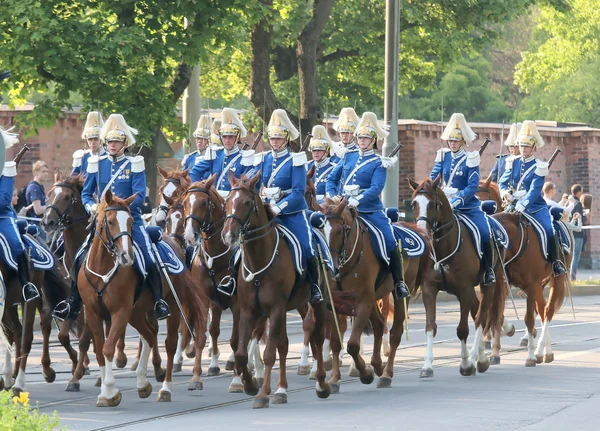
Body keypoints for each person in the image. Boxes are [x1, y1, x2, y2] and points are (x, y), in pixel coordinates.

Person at [52, 114, 171, 321]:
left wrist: (120, 209)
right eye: (109, 141)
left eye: (116, 141)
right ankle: (73, 301)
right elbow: (87, 194)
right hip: (103, 221)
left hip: (129, 219)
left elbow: (140, 195)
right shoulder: (96, 163)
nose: (112, 145)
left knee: (148, 258)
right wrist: (92, 208)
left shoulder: (135, 163)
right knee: (79, 257)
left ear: (125, 143)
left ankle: (159, 301)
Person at [326, 112, 410, 299]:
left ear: (373, 140)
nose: (362, 141)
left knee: (389, 241)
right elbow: (332, 179)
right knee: (328, 233)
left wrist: (358, 200)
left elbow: (376, 188)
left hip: (370, 211)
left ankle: (399, 282)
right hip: (344, 209)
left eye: (366, 138)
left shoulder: (379, 162)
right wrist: (333, 196)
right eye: (360, 137)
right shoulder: (348, 157)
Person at [430, 113, 496, 286]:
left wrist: (458, 200)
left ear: (462, 141)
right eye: (450, 140)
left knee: (484, 232)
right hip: (445, 204)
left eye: (455, 141)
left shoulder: (470, 158)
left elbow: (472, 186)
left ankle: (488, 270)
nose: (452, 143)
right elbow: (433, 179)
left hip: (467, 206)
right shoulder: (443, 156)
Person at [499, 120, 567, 277]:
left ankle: (556, 262)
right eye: (521, 146)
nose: (523, 149)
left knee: (549, 229)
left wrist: (523, 205)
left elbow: (535, 190)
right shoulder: (512, 162)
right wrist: (505, 193)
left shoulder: (539, 166)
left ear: (534, 148)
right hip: (513, 205)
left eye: (527, 146)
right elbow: (502, 182)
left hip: (535, 207)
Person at [0, 127, 40, 302]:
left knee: (16, 244)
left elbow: (4, 199)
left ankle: (27, 285)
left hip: (2, 216)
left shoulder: (7, 167)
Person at [189, 108, 255, 190]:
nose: (227, 140)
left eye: (231, 137)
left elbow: (250, 182)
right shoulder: (215, 154)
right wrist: (200, 188)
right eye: (224, 137)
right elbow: (194, 172)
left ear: (237, 138)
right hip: (216, 199)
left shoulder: (245, 158)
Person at [307, 125, 337, 204]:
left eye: (320, 150)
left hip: (325, 205)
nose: (316, 153)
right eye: (314, 150)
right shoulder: (306, 166)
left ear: (326, 152)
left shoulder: (334, 168)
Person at [72, 111, 106, 176]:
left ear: (101, 140)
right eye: (90, 139)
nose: (92, 142)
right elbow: (73, 178)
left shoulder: (109, 156)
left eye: (96, 139)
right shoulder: (81, 157)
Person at [26, 160, 49, 242]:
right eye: (43, 171)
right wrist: (50, 207)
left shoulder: (40, 186)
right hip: (35, 227)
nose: (46, 174)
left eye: (47, 171)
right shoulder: (34, 187)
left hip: (40, 225)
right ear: (36, 172)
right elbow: (38, 210)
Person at [569, 184, 585, 280]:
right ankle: (573, 276)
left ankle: (571, 275)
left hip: (571, 231)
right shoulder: (578, 203)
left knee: (572, 254)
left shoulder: (570, 202)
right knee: (575, 255)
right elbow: (579, 217)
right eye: (581, 192)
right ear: (578, 192)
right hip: (577, 233)